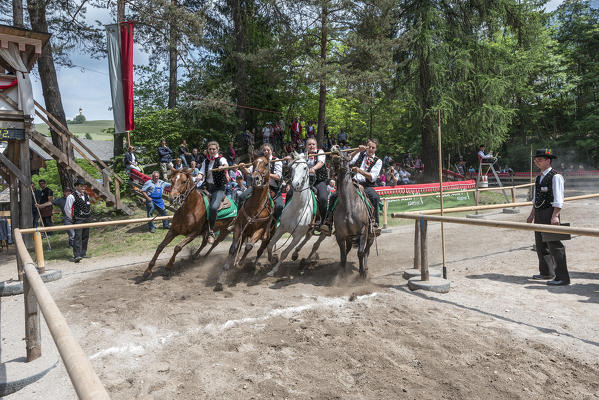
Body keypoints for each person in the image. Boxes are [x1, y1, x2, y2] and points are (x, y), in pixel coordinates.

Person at [321, 139, 383, 236]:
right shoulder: (360, 154)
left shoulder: (378, 161)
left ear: (376, 149)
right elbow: (348, 158)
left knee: (374, 197)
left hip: (366, 185)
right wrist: (358, 150)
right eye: (369, 147)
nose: (370, 149)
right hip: (352, 183)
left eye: (373, 148)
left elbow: (372, 177)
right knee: (334, 196)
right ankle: (328, 223)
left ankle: (374, 224)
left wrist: (359, 171)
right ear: (366, 146)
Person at [526, 149, 570, 286]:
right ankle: (546, 272)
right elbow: (535, 199)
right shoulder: (538, 177)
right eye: (536, 160)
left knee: (555, 245)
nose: (536, 162)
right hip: (539, 213)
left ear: (548, 161)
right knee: (540, 245)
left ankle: (562, 277)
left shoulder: (556, 176)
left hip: (550, 212)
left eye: (540, 160)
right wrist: (532, 214)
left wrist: (555, 215)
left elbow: (558, 198)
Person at [285, 138, 328, 229]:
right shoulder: (302, 155)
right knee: (289, 193)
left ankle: (324, 222)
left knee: (323, 198)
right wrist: (290, 159)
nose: (311, 146)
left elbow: (320, 162)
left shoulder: (320, 152)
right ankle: (285, 216)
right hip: (305, 183)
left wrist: (313, 168)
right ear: (306, 146)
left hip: (319, 181)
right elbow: (294, 161)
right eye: (309, 144)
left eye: (313, 144)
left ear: (316, 145)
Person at [238, 143, 284, 222]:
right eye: (264, 150)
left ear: (271, 151)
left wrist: (265, 174)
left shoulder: (277, 161)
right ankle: (238, 219)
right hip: (258, 187)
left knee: (279, 206)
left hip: (273, 188)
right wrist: (243, 168)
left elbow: (278, 177)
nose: (266, 151)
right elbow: (249, 171)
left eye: (268, 150)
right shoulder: (259, 160)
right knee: (242, 197)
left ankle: (273, 223)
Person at [197, 141, 229, 244]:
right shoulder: (206, 161)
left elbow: (226, 165)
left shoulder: (221, 159)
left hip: (218, 188)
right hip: (207, 187)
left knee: (214, 207)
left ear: (217, 150)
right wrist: (199, 176)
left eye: (213, 149)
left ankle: (211, 231)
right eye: (210, 149)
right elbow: (201, 172)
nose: (211, 151)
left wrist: (223, 167)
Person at [64, 179, 92, 263]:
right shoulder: (71, 196)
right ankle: (77, 255)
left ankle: (83, 253)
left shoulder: (87, 195)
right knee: (78, 237)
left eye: (84, 186)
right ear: (76, 186)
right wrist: (73, 218)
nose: (83, 187)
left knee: (85, 236)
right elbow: (67, 209)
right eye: (81, 186)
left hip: (87, 218)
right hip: (78, 219)